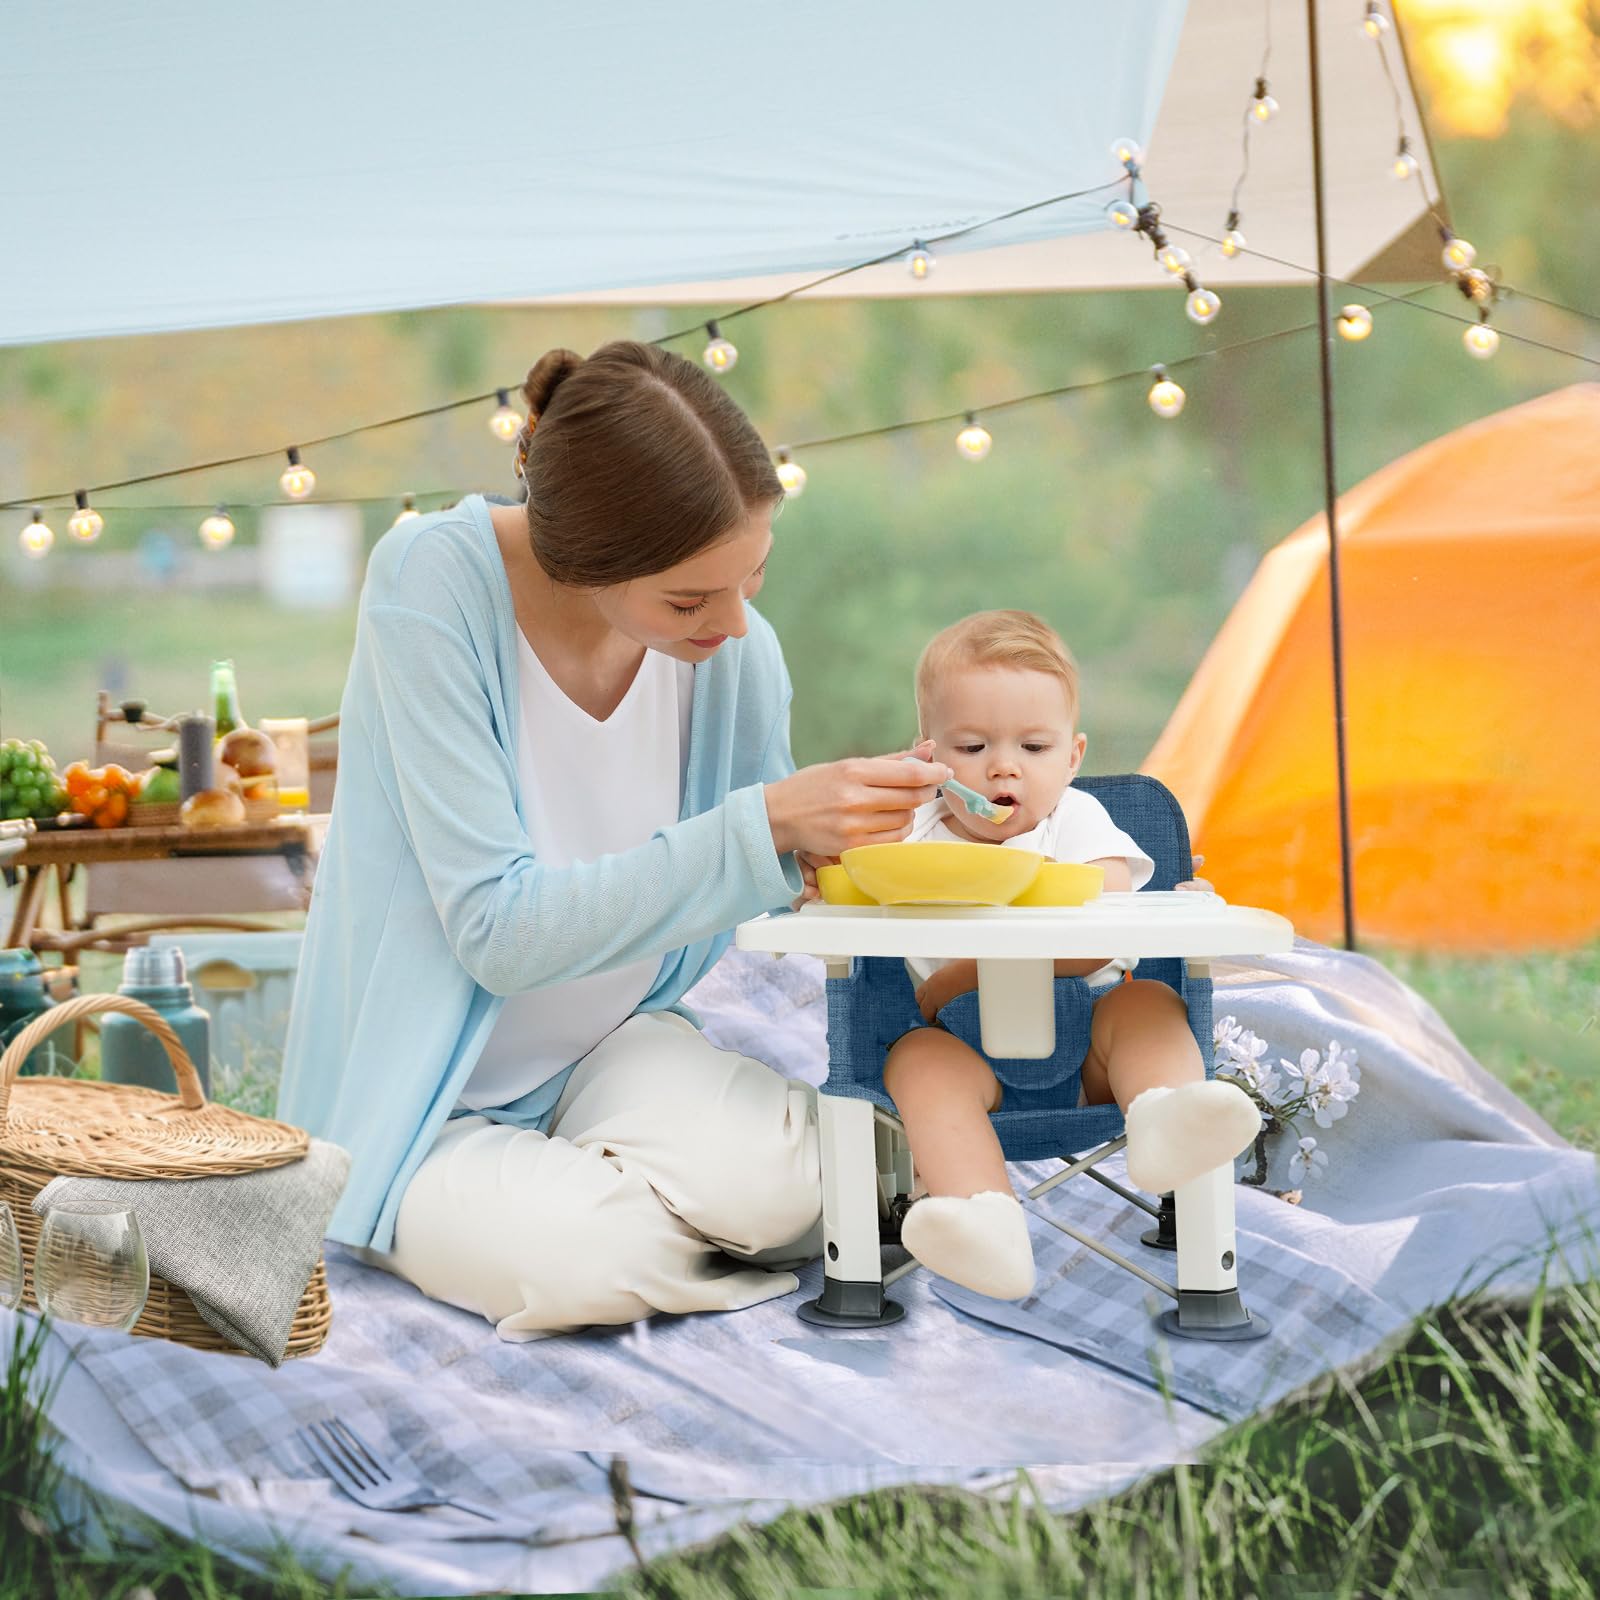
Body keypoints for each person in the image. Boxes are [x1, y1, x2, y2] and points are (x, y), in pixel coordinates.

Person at [276, 340, 952, 1340]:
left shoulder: (734, 656)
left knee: (806, 1176)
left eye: (751, 577)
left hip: (614, 1049)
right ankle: (617, 1221)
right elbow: (496, 931)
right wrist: (762, 825)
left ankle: (651, 1210)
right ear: (582, 558)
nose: (729, 622)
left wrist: (828, 855)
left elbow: (735, 888)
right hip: (431, 1096)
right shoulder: (433, 583)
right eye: (687, 599)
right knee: (586, 1259)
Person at [881, 610, 1261, 1300]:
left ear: (1072, 757)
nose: (1003, 766)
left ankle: (1163, 1117)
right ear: (930, 757)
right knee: (915, 1060)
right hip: (971, 1065)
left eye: (1033, 746)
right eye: (971, 746)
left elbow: (1101, 928)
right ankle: (982, 1221)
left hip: (1092, 1053)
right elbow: (852, 889)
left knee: (1146, 1000)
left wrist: (960, 975)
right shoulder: (913, 836)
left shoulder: (1077, 819)